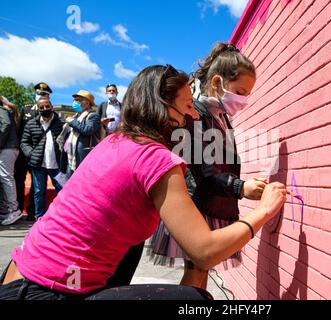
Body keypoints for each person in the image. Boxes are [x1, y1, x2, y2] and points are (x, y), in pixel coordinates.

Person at [0, 65, 287, 300]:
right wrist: (263, 211)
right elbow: (205, 250)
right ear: (162, 107)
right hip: (46, 292)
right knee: (196, 301)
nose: (195, 113)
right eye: (188, 105)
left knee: (132, 245)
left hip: (18, 277)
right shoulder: (154, 158)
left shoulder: (115, 141)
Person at [150, 43, 267, 290]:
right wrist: (241, 187)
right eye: (240, 91)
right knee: (195, 273)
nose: (244, 100)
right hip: (199, 204)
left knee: (202, 271)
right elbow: (203, 171)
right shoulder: (197, 116)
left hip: (214, 203)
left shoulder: (222, 117)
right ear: (217, 82)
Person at [20, 97, 64, 220]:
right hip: (38, 164)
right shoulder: (31, 123)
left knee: (62, 191)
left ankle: (61, 217)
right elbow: (24, 142)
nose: (45, 109)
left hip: (57, 165)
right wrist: (31, 154)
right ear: (38, 109)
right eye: (41, 107)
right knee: (39, 193)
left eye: (47, 106)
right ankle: (39, 219)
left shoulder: (61, 123)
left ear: (52, 106)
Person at [15, 82, 53, 221]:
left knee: (36, 184)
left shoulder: (49, 110)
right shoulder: (26, 109)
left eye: (43, 94)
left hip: (38, 155)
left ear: (48, 96)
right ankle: (18, 209)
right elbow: (19, 131)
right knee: (19, 180)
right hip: (23, 152)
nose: (40, 96)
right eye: (38, 93)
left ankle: (32, 212)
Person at [59, 90, 100, 178]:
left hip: (82, 157)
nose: (75, 102)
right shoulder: (75, 116)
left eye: (79, 100)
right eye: (74, 100)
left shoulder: (93, 116)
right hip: (71, 155)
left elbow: (87, 130)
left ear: (88, 102)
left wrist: (72, 122)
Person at [0, 96, 22, 226]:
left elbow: (6, 124)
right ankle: (6, 210)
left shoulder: (1, 109)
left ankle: (13, 210)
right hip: (8, 147)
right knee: (4, 178)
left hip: (7, 148)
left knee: (6, 177)